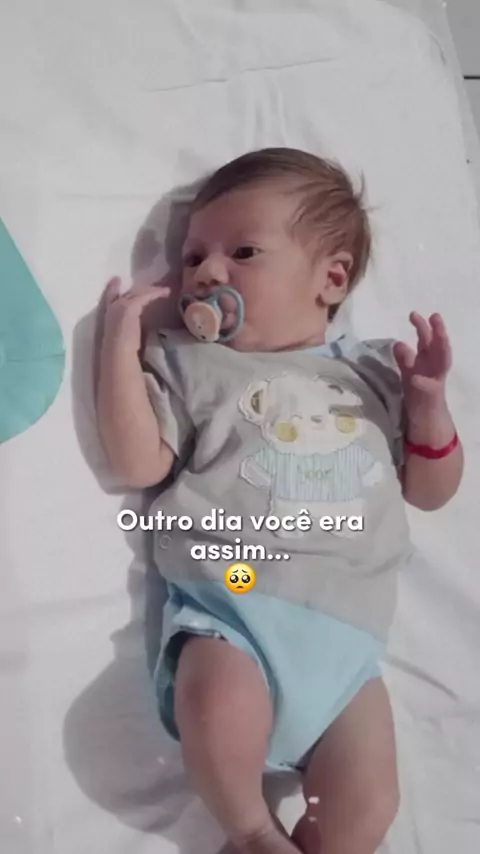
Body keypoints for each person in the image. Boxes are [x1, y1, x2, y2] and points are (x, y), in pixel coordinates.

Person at [95, 148, 463, 854]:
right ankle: (253, 831)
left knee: (368, 807)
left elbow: (431, 491)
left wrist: (428, 409)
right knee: (217, 702)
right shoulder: (193, 363)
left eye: (243, 252)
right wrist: (120, 344)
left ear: (332, 279)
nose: (206, 273)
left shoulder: (376, 372)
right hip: (235, 598)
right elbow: (139, 461)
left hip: (349, 638)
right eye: (194, 255)